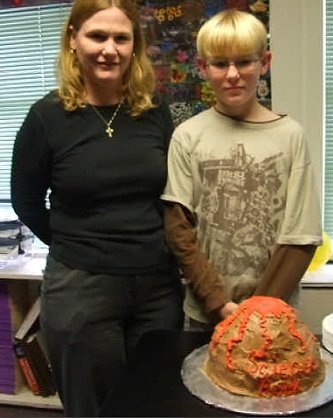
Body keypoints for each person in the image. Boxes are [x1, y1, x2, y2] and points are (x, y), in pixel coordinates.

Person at [11, 0, 183, 415]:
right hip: (82, 290)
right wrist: (75, 243)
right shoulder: (46, 117)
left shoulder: (153, 110)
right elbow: (26, 201)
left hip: (157, 288)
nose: (110, 49)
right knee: (95, 408)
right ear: (73, 39)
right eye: (97, 36)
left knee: (155, 403)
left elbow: (174, 194)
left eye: (121, 38)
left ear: (134, 46)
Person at [162, 9, 322, 331]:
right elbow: (180, 228)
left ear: (265, 62)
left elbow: (301, 234)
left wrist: (261, 308)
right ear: (204, 68)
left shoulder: (290, 135)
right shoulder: (188, 136)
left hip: (274, 313)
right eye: (221, 64)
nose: (233, 74)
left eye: (245, 62)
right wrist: (219, 303)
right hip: (207, 314)